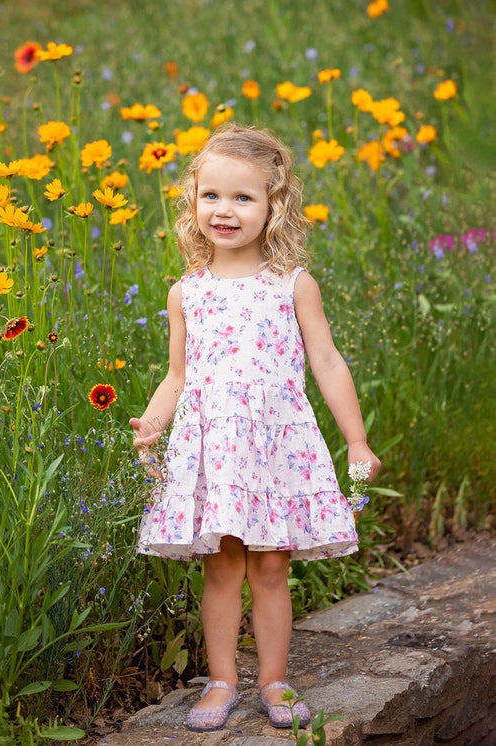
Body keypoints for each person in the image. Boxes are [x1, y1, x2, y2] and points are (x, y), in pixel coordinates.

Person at [129, 123, 381, 732]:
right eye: (212, 195)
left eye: (244, 198)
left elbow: (326, 361)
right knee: (222, 566)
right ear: (193, 202)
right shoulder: (187, 292)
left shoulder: (292, 285)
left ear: (275, 206)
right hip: (214, 450)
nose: (225, 210)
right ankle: (221, 680)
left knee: (270, 567)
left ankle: (273, 679)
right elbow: (177, 376)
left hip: (275, 447)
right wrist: (153, 424)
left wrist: (356, 441)